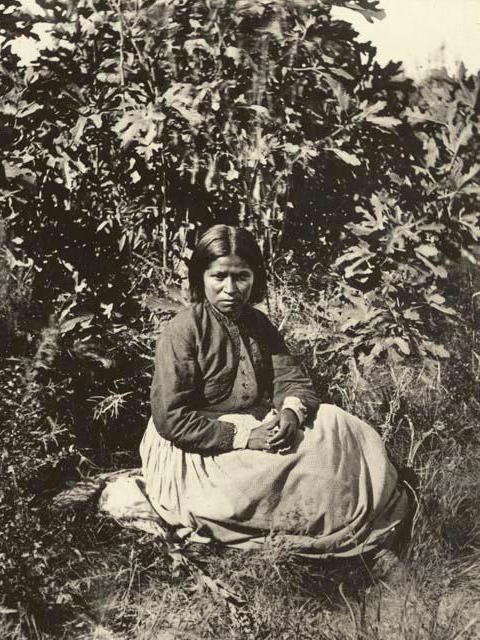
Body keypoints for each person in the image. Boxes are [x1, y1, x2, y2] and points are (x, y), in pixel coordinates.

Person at [139, 224, 409, 557]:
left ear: (254, 278)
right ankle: (347, 544)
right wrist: (241, 438)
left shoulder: (258, 323)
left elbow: (291, 378)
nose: (230, 289)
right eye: (218, 277)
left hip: (255, 422)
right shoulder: (182, 331)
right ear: (201, 278)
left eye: (241, 277)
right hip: (196, 445)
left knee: (336, 424)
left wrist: (290, 413)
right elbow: (171, 418)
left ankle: (372, 532)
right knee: (248, 487)